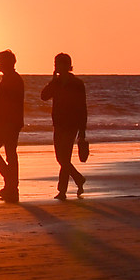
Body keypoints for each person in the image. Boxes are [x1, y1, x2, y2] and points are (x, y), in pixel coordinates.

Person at [40, 53, 90, 198]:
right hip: (58, 124)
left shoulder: (77, 84)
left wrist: (82, 131)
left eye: (59, 63)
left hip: (72, 125)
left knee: (63, 158)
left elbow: (82, 107)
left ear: (67, 65)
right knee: (62, 158)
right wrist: (52, 80)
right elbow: (44, 96)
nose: (57, 66)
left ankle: (63, 190)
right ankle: (76, 181)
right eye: (56, 63)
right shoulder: (56, 83)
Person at [0, 50, 24, 201]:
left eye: (0, 61)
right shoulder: (10, 78)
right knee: (8, 154)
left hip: (8, 123)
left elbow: (10, 104)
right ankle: (11, 186)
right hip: (8, 123)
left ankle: (11, 184)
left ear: (8, 62)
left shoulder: (12, 79)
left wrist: (3, 122)